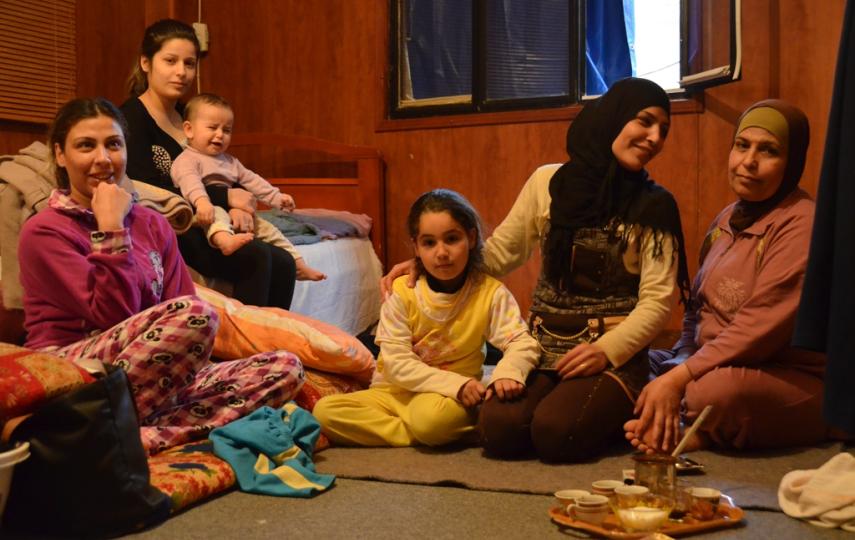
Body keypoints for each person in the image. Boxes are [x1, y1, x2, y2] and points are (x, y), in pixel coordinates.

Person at [382, 78, 690, 462]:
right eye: (645, 121)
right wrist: (431, 265)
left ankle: (625, 399)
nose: (655, 137)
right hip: (543, 345)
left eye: (664, 130)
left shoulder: (656, 206)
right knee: (498, 431)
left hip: (610, 354)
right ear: (614, 117)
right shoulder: (547, 183)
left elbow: (657, 304)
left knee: (555, 434)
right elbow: (499, 254)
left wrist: (605, 351)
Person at [18, 97, 305, 455]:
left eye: (114, 144)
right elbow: (113, 315)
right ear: (60, 155)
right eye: (85, 146)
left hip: (148, 373)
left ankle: (131, 432)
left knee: (285, 367)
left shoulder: (152, 223)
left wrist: (191, 368)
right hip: (74, 369)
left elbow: (180, 308)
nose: (103, 159)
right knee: (198, 315)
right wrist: (111, 229)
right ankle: (117, 426)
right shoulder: (44, 231)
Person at [625, 99, 827, 453]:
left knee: (712, 393)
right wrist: (681, 359)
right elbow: (696, 310)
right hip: (710, 360)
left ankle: (690, 427)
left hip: (785, 373)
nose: (749, 161)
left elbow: (756, 332)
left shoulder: (802, 224)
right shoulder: (726, 219)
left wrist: (679, 378)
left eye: (769, 151)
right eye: (741, 145)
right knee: (629, 368)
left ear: (791, 163)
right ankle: (679, 422)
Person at [313, 189, 539, 447]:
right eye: (429, 243)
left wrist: (507, 373)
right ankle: (421, 434)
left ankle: (430, 429)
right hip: (393, 393)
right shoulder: (401, 291)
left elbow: (522, 341)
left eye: (452, 239)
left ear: (472, 237)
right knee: (325, 412)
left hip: (446, 398)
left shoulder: (490, 293)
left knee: (432, 420)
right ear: (416, 248)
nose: (441, 253)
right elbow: (396, 363)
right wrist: (457, 386)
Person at [121, 18, 298, 309]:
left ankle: (273, 346)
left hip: (210, 218)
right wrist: (226, 197)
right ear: (145, 62)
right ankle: (247, 347)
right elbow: (149, 189)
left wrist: (239, 205)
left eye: (189, 64)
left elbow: (223, 169)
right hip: (175, 225)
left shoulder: (190, 115)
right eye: (170, 61)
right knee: (257, 257)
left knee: (284, 262)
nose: (181, 72)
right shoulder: (131, 119)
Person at [171, 92, 326, 280]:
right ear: (189, 130)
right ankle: (224, 241)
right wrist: (203, 202)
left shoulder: (230, 161)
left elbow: (253, 181)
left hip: (231, 212)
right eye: (212, 127)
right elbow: (190, 182)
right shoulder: (187, 159)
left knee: (270, 230)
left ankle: (299, 265)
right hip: (202, 211)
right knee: (217, 215)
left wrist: (276, 197)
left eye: (226, 130)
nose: (219, 135)